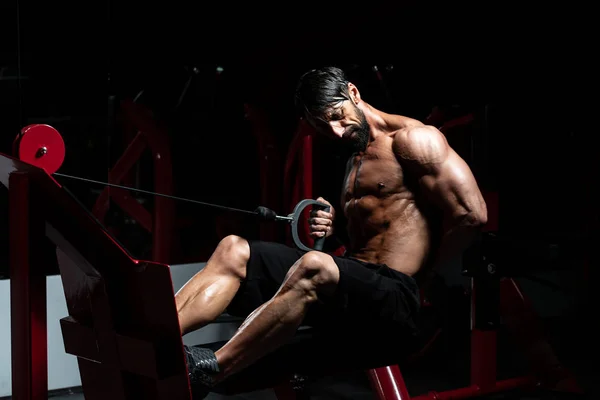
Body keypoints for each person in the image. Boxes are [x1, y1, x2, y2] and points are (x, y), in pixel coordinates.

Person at [175, 66, 488, 397]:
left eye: (338, 117)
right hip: (360, 289)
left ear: (353, 93)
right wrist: (336, 225)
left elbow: (472, 214)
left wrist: (424, 278)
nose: (336, 132)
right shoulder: (356, 155)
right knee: (234, 249)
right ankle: (161, 338)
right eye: (324, 126)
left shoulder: (414, 140)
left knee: (314, 265)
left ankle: (208, 369)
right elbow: (385, 229)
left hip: (398, 297)